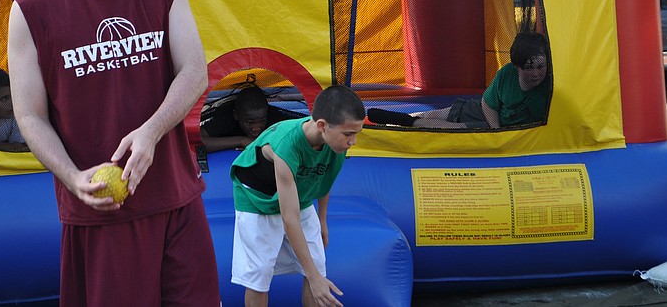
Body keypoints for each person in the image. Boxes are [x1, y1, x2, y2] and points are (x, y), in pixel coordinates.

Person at [7, 0, 220, 306]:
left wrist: (151, 131)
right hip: (103, 212)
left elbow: (195, 72)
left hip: (177, 200)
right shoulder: (32, 7)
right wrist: (72, 178)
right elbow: (29, 115)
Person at [230, 84, 366, 307]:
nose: (353, 141)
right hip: (258, 198)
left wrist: (322, 219)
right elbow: (289, 217)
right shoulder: (287, 145)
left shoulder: (337, 145)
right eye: (349, 134)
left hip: (298, 193)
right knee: (260, 273)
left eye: (357, 133)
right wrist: (314, 278)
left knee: (317, 263)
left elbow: (324, 178)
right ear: (322, 125)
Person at [367, 31, 550, 129]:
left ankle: (404, 122)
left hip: (496, 125)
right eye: (529, 68)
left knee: (442, 127)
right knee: (432, 115)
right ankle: (389, 121)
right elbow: (488, 103)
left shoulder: (549, 84)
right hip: (487, 114)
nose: (536, 73)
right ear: (518, 67)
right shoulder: (507, 75)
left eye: (540, 67)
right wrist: (496, 130)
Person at [199, 85, 277, 152]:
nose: (256, 128)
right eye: (249, 122)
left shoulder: (274, 118)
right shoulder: (225, 119)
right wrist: (242, 141)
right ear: (236, 115)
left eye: (262, 121)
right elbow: (199, 141)